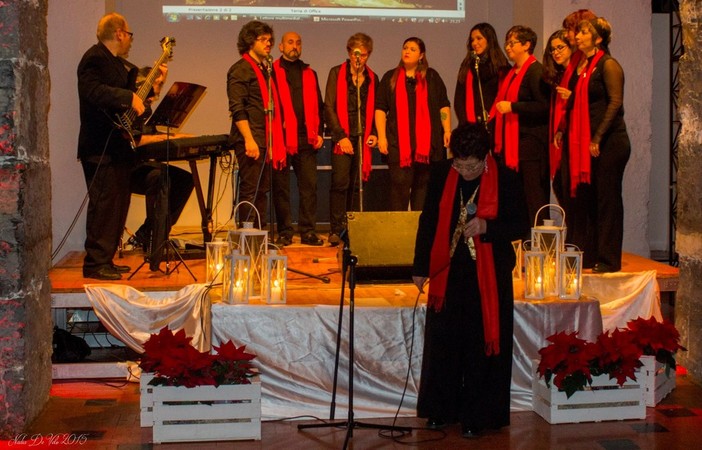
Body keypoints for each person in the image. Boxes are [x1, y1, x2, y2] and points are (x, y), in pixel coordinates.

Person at [412, 123, 529, 438]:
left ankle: (479, 415)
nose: (463, 170)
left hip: (489, 275)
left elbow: (522, 226)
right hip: (447, 272)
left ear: (485, 156)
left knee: (482, 346)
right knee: (444, 343)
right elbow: (428, 220)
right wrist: (420, 266)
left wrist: (487, 228)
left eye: (471, 165)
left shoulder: (505, 178)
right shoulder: (441, 174)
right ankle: (440, 410)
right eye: (459, 164)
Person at [77, 12, 168, 280]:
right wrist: (128, 96)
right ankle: (95, 264)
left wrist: (152, 84)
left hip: (118, 148)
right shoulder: (93, 58)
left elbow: (133, 107)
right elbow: (93, 92)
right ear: (119, 33)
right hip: (100, 149)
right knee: (103, 207)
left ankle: (105, 260)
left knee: (117, 207)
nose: (130, 40)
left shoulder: (118, 64)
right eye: (129, 34)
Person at [566, 17, 631, 273]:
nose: (578, 36)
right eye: (578, 32)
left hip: (610, 142)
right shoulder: (585, 65)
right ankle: (592, 254)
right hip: (593, 144)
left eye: (583, 32)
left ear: (598, 38)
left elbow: (615, 103)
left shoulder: (608, 64)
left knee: (607, 201)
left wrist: (597, 137)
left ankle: (609, 259)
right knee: (591, 200)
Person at [375, 37, 451, 212]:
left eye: (412, 49)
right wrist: (381, 136)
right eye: (405, 48)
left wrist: (447, 129)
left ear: (421, 55)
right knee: (398, 192)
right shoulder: (390, 77)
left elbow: (443, 105)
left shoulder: (432, 76)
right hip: (398, 146)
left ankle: (420, 235)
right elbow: (380, 109)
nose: (407, 51)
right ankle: (399, 235)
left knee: (423, 193)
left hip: (428, 147)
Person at [227, 20, 285, 230]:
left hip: (265, 139)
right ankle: (247, 238)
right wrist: (249, 140)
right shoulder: (240, 70)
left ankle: (260, 237)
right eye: (263, 40)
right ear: (250, 41)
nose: (268, 44)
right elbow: (238, 109)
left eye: (270, 40)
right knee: (251, 191)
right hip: (250, 140)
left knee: (261, 191)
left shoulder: (265, 69)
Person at [324, 33, 378, 246]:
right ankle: (336, 229)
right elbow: (328, 107)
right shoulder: (336, 73)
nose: (360, 59)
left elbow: (377, 110)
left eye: (364, 55)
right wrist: (340, 137)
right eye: (356, 54)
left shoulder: (373, 78)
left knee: (357, 186)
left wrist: (373, 132)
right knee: (340, 183)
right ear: (349, 52)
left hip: (363, 139)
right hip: (342, 138)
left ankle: (354, 227)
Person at [271, 31, 325, 246]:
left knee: (309, 187)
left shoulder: (310, 72)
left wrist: (320, 131)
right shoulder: (272, 72)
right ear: (281, 47)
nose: (295, 46)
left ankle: (308, 231)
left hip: (306, 139)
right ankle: (285, 231)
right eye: (290, 42)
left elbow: (319, 106)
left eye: (298, 42)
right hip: (281, 139)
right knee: (281, 188)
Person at [494, 25, 550, 227]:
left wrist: (513, 106)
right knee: (518, 193)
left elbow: (544, 106)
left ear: (527, 45)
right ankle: (522, 234)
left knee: (534, 192)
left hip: (531, 142)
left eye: (512, 43)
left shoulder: (536, 70)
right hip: (513, 142)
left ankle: (539, 238)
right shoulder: (513, 73)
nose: (507, 47)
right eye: (506, 43)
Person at [454, 23, 510, 130]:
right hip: (470, 126)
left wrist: (491, 121)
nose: (474, 43)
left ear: (489, 39)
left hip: (496, 124)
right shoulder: (468, 64)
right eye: (472, 40)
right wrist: (465, 124)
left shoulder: (502, 66)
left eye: (479, 38)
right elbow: (459, 99)